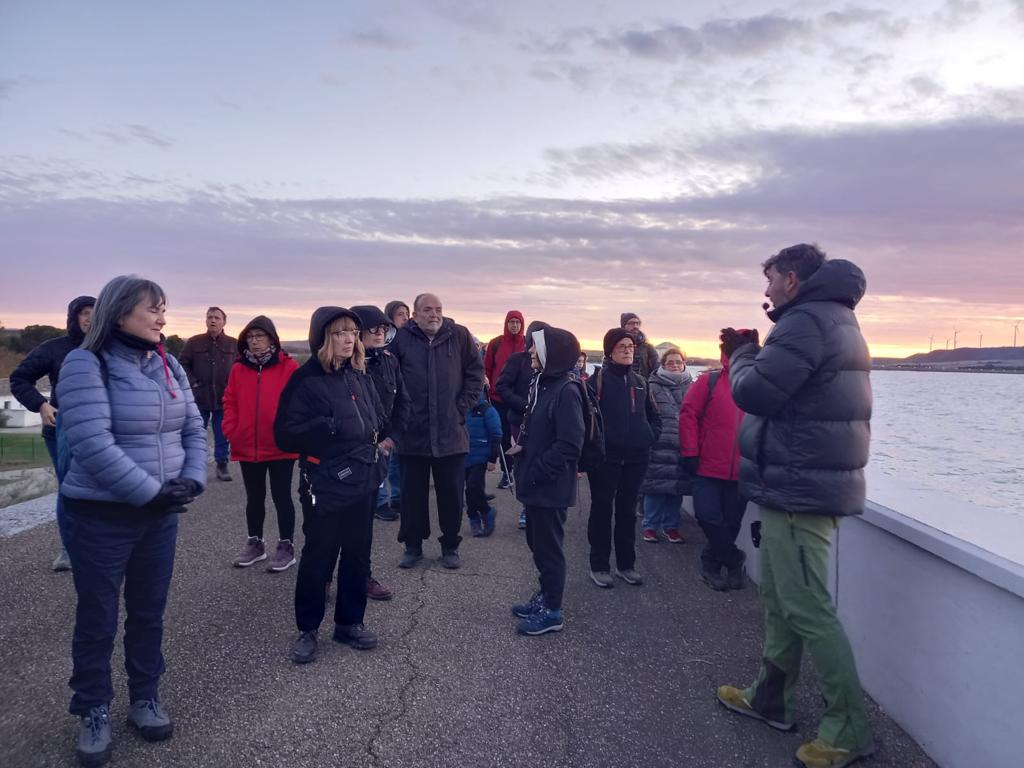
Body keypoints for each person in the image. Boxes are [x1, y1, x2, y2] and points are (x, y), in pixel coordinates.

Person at [715, 244, 875, 768]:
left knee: (806, 606)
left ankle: (849, 728)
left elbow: (757, 392)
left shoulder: (806, 320)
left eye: (769, 280)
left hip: (801, 491)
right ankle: (771, 699)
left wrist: (740, 354)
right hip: (797, 485)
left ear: (791, 278)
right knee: (783, 602)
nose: (765, 290)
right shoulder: (831, 317)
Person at [57, 276, 207, 767]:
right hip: (100, 515)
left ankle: (145, 696)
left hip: (158, 515)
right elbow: (91, 444)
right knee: (98, 617)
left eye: (165, 309)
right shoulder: (85, 362)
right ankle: (93, 708)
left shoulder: (169, 363)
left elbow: (193, 425)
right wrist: (151, 494)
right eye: (154, 310)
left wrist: (192, 480)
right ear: (119, 313)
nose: (163, 318)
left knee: (148, 612)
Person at [274, 307, 388, 664]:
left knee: (357, 553)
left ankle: (349, 623)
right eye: (339, 333)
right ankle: (307, 628)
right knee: (319, 555)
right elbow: (284, 435)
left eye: (352, 332)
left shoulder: (359, 374)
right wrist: (326, 427)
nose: (348, 339)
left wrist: (380, 442)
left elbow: (376, 418)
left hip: (363, 478)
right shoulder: (306, 379)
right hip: (324, 481)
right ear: (323, 338)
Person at [389, 293, 484, 570]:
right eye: (427, 310)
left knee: (452, 495)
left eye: (438, 309)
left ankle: (451, 545)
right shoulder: (401, 340)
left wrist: (461, 407)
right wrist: (399, 415)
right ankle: (413, 545)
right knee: (411, 495)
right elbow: (389, 377)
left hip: (450, 432)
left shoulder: (460, 335)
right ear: (415, 315)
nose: (434, 314)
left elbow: (475, 373)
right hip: (412, 433)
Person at [10, 294, 95, 571]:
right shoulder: (54, 348)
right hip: (62, 430)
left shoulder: (109, 347)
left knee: (103, 486)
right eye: (84, 312)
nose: (90, 318)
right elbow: (19, 378)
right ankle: (68, 549)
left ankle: (101, 543)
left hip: (101, 429)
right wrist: (41, 404)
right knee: (69, 489)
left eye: (95, 312)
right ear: (73, 317)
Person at [511, 326, 586, 635]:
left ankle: (552, 611)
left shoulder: (566, 390)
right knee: (537, 543)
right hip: (536, 483)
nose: (529, 352)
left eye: (536, 348)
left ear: (551, 354)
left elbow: (570, 444)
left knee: (549, 549)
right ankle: (545, 596)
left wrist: (537, 470)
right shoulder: (543, 383)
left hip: (549, 486)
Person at [222, 316, 299, 572]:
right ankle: (255, 544)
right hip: (247, 446)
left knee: (282, 497)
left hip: (280, 446)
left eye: (260, 336)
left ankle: (286, 546)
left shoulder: (288, 368)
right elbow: (229, 401)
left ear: (271, 339)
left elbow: (299, 404)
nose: (254, 342)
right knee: (254, 498)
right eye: (250, 337)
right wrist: (232, 430)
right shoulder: (238, 369)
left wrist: (288, 432)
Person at [586, 328, 661, 588]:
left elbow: (653, 415)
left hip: (636, 458)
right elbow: (586, 420)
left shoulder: (641, 382)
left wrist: (649, 436)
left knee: (628, 512)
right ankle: (599, 565)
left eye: (630, 346)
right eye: (622, 346)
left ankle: (626, 565)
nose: (628, 350)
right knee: (602, 510)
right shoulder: (597, 381)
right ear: (610, 351)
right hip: (606, 459)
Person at [679, 337, 748, 588]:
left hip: (743, 470)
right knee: (707, 516)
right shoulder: (709, 381)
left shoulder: (759, 386)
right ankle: (734, 559)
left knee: (731, 522)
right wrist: (690, 452)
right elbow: (688, 415)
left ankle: (711, 564)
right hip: (706, 466)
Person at [353, 304, 409, 601]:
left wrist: (390, 439)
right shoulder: (340, 363)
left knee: (364, 522)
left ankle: (363, 575)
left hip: (378, 453)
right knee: (331, 522)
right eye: (372, 328)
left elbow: (402, 402)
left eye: (383, 328)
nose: (379, 333)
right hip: (344, 456)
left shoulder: (388, 361)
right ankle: (323, 575)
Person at [496, 320, 549, 529]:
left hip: (545, 421)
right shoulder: (518, 360)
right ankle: (527, 507)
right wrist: (524, 406)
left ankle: (541, 504)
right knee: (525, 462)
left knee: (542, 461)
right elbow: (502, 386)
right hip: (520, 420)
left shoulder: (551, 363)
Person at [639, 347, 693, 544]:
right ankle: (650, 526)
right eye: (670, 362)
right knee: (656, 488)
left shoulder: (692, 387)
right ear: (662, 365)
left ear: (684, 363)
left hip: (683, 446)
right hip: (659, 444)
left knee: (676, 489)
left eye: (678, 362)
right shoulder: (651, 386)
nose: (675, 365)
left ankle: (671, 527)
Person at [180, 307, 236, 481]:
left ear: (223, 322)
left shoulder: (234, 344)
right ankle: (190, 468)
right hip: (199, 397)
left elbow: (241, 368)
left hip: (224, 397)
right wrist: (193, 382)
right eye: (209, 317)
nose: (213, 320)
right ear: (205, 320)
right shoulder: (194, 342)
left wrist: (234, 387)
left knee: (222, 434)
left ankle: (222, 465)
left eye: (217, 318)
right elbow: (182, 364)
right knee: (195, 433)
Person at [484, 310, 525, 488]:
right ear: (506, 324)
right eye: (511, 322)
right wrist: (485, 384)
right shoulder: (496, 344)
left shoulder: (527, 344)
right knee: (503, 436)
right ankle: (507, 473)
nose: (514, 325)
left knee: (523, 437)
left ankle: (522, 469)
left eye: (518, 322)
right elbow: (486, 369)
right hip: (498, 398)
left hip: (521, 400)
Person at [464, 389, 501, 537]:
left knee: (473, 486)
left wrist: (492, 459)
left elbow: (496, 435)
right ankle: (474, 518)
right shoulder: (461, 409)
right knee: (469, 490)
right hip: (464, 456)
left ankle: (486, 511)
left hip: (480, 458)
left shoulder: (488, 410)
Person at [620, 312, 660, 380]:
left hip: (642, 386)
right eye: (632, 323)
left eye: (637, 323)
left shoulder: (648, 348)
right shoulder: (615, 345)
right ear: (624, 325)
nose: (635, 326)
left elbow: (657, 370)